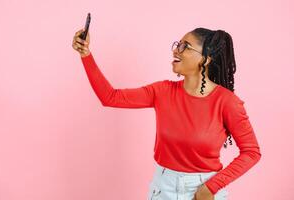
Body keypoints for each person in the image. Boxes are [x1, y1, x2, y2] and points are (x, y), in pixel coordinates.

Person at [72, 27, 262, 200]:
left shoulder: (227, 102)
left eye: (185, 46)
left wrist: (211, 187)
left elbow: (251, 152)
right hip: (164, 188)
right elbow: (110, 97)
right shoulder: (162, 91)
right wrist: (86, 54)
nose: (176, 50)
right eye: (177, 44)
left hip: (204, 190)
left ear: (206, 58)